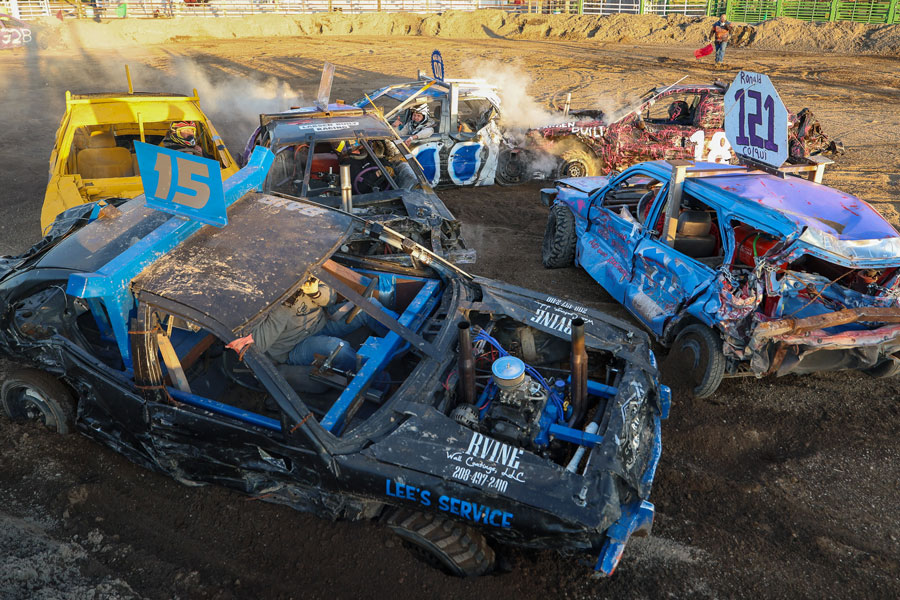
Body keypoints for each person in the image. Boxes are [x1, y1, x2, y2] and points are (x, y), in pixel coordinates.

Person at [225, 276, 383, 373]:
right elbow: (260, 345)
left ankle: (404, 339)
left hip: (323, 322)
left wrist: (315, 292)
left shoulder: (298, 271)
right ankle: (378, 379)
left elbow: (332, 299)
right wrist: (285, 304)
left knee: (369, 306)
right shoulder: (252, 303)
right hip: (294, 347)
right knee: (335, 348)